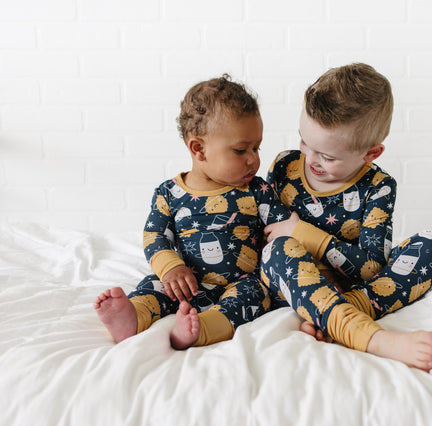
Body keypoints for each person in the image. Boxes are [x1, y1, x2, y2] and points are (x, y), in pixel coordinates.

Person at [260, 63, 432, 371]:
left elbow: (372, 267)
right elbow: (269, 235)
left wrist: (304, 232)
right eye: (304, 141)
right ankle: (371, 337)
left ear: (371, 153)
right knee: (278, 251)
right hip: (293, 280)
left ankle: (342, 313)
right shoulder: (285, 166)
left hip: (352, 286)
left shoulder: (378, 187)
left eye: (328, 156)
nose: (309, 158)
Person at [94, 75, 290, 349]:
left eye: (257, 147)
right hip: (187, 282)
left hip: (241, 281)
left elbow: (285, 230)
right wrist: (171, 268)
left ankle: (203, 329)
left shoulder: (257, 191)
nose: (253, 159)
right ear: (199, 149)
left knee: (254, 295)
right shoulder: (169, 194)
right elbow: (155, 237)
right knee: (153, 285)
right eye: (241, 150)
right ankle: (132, 316)